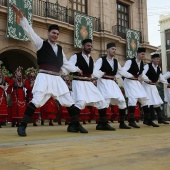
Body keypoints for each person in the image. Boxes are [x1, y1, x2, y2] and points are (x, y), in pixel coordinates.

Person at [11, 5, 85, 136]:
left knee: (68, 100)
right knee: (37, 100)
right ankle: (22, 126)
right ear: (48, 33)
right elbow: (29, 31)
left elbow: (66, 63)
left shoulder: (60, 49)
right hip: (44, 76)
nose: (55, 35)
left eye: (57, 34)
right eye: (53, 33)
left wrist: (76, 69)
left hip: (57, 78)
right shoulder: (40, 43)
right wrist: (22, 18)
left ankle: (75, 124)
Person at [69, 38, 116, 132]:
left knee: (102, 102)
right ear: (83, 46)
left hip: (88, 83)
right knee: (80, 102)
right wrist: (76, 69)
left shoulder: (91, 59)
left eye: (90, 46)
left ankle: (102, 124)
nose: (89, 47)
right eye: (87, 46)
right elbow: (69, 65)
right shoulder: (76, 56)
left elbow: (94, 72)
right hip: (78, 81)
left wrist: (101, 73)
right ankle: (73, 125)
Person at [94, 42, 135, 129]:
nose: (114, 51)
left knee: (122, 101)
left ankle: (122, 123)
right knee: (105, 102)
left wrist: (131, 75)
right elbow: (94, 70)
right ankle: (103, 123)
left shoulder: (116, 61)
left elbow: (121, 72)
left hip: (112, 83)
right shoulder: (101, 60)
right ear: (107, 50)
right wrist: (100, 74)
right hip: (103, 82)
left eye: (115, 49)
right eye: (112, 49)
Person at [122, 47, 155, 128]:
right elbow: (123, 71)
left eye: (144, 54)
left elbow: (141, 75)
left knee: (144, 99)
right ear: (137, 54)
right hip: (129, 81)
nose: (143, 56)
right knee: (133, 99)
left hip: (136, 82)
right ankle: (131, 121)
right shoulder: (130, 61)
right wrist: (130, 75)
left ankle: (148, 120)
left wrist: (148, 80)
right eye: (142, 54)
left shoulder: (141, 63)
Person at [142, 53, 169, 124]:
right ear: (152, 59)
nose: (158, 60)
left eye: (159, 59)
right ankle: (147, 120)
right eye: (157, 59)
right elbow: (142, 74)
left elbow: (161, 77)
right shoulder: (148, 66)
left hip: (153, 86)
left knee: (157, 102)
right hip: (146, 85)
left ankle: (160, 119)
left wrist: (166, 83)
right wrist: (147, 79)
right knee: (147, 102)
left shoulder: (158, 68)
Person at [0, 61, 11, 128]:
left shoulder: (3, 77)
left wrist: (6, 86)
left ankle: (1, 122)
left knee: (1, 108)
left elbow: (10, 81)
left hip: (1, 93)